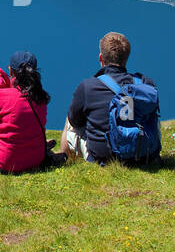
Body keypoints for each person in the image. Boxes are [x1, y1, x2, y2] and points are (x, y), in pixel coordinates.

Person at [60, 31, 161, 164]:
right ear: (126, 58)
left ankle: (68, 160)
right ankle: (149, 152)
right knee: (152, 117)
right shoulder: (146, 84)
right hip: (144, 154)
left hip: (105, 158)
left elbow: (75, 121)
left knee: (70, 120)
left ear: (101, 58)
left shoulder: (88, 87)